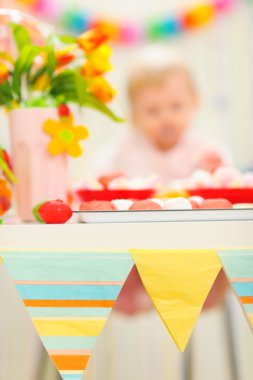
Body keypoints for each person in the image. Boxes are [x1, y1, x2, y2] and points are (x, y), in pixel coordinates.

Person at [95, 45, 230, 316]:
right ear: (134, 115)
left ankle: (200, 296)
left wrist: (217, 168)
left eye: (176, 107)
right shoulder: (125, 147)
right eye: (153, 111)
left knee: (224, 255)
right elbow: (100, 178)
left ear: (194, 102)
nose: (166, 117)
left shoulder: (202, 146)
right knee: (111, 259)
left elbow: (226, 184)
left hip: (195, 249)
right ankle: (134, 297)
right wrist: (111, 181)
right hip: (138, 251)